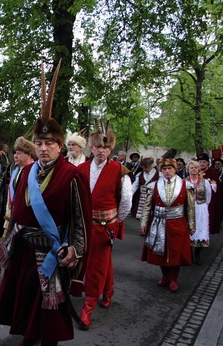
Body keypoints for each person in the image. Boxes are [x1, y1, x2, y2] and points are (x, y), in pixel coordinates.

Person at [0, 64, 91, 345]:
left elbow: (80, 221)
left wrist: (76, 251)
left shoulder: (72, 176)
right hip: (23, 250)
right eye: (39, 142)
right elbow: (17, 212)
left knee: (49, 312)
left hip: (50, 254)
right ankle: (27, 335)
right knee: (24, 303)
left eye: (49, 142)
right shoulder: (26, 171)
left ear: (60, 146)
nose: (43, 147)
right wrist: (8, 241)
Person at [77, 119, 132, 330]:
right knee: (93, 261)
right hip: (83, 225)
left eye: (106, 147)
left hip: (105, 226)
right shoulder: (81, 168)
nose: (102, 150)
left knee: (96, 265)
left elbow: (126, 200)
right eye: (98, 146)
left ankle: (88, 307)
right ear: (92, 147)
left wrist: (115, 220)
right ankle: (108, 291)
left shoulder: (120, 171)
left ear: (111, 149)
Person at [140, 155, 195, 293]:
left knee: (175, 251)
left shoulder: (185, 185)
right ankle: (165, 276)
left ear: (175, 170)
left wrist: (192, 225)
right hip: (158, 222)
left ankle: (173, 278)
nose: (167, 171)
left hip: (178, 222)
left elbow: (190, 207)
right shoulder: (154, 185)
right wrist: (144, 222)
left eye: (170, 168)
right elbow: (147, 206)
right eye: (164, 169)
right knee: (160, 252)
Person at [0, 136, 36, 280]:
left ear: (29, 154)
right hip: (11, 214)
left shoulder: (34, 170)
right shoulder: (15, 169)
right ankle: (9, 274)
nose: (15, 155)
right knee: (7, 245)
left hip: (25, 218)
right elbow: (5, 181)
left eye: (19, 153)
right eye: (15, 152)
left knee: (18, 248)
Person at [187, 160, 211, 265]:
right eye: (191, 167)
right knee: (188, 230)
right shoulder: (184, 182)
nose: (194, 169)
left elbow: (208, 196)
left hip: (200, 207)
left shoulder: (204, 182)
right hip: (188, 209)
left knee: (200, 229)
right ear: (188, 169)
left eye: (196, 167)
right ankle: (189, 255)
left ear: (198, 169)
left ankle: (197, 255)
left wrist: (203, 206)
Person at [197, 153, 221, 234]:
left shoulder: (212, 172)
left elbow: (215, 188)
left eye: (204, 162)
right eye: (200, 162)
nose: (202, 164)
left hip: (209, 200)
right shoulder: (195, 171)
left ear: (208, 163)